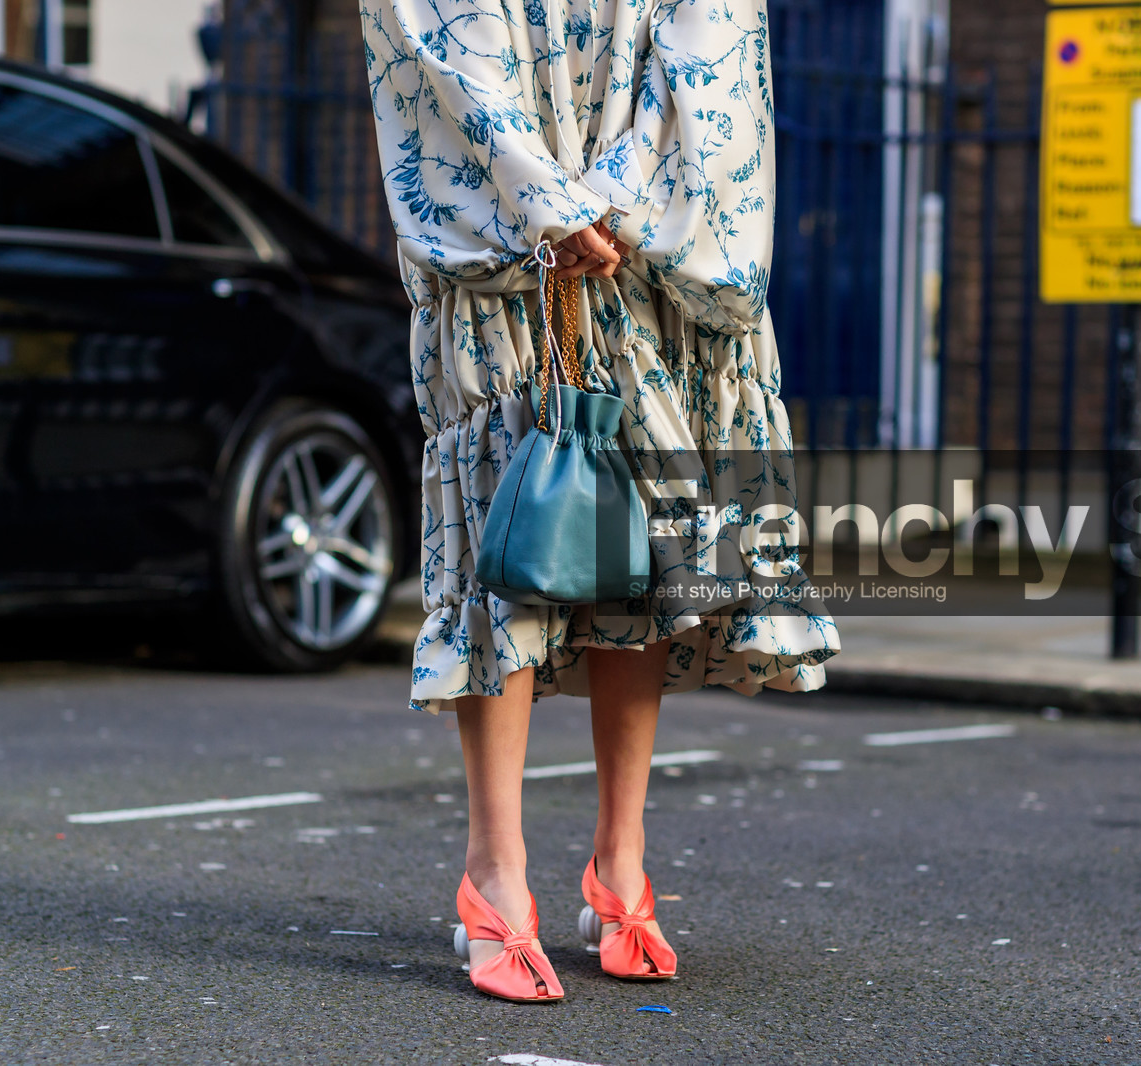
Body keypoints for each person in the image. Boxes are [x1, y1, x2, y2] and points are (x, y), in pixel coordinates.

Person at [359, 0, 840, 1002]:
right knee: (511, 546)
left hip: (652, 247)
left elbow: (709, 44)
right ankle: (493, 873)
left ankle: (619, 857)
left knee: (640, 553)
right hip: (506, 254)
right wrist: (547, 205)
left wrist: (606, 203)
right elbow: (438, 43)